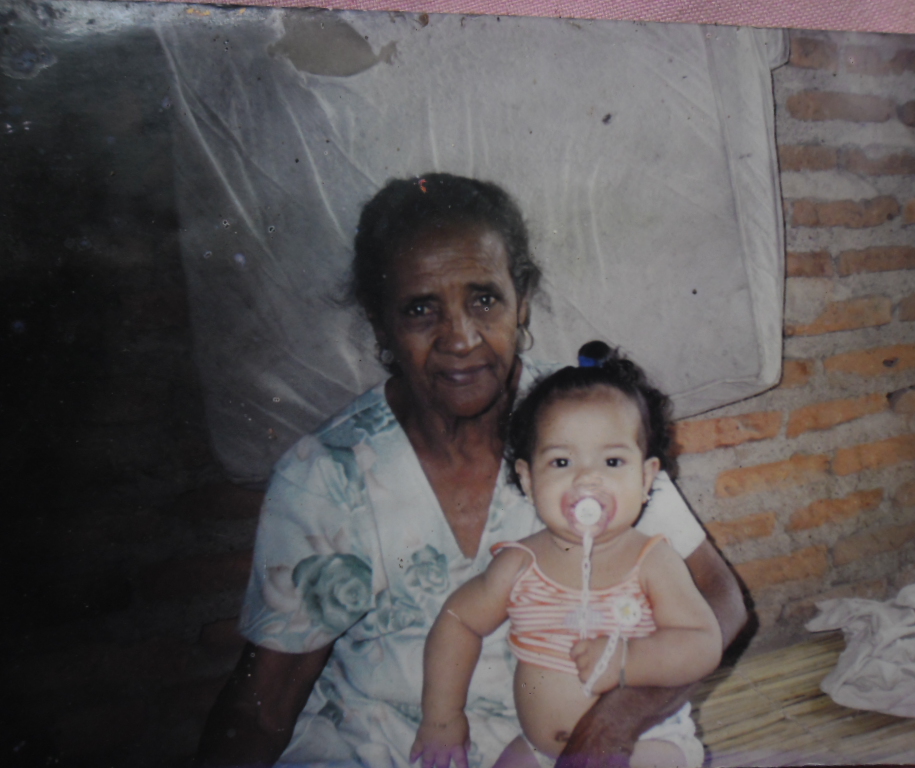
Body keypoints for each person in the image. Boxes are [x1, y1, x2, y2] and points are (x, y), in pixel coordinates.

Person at [195, 173, 747, 768]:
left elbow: (719, 598)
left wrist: (613, 723)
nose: (460, 339)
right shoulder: (328, 475)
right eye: (420, 309)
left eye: (484, 300)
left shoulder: (587, 422)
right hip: (393, 748)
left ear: (521, 300)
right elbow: (263, 706)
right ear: (380, 323)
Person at [412, 345, 721, 768]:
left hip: (644, 743)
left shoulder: (652, 562)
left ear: (646, 477)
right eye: (561, 461)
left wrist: (629, 661)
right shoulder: (519, 565)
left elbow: (703, 642)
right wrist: (442, 717)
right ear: (528, 479)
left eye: (612, 460)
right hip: (540, 750)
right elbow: (458, 621)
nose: (587, 478)